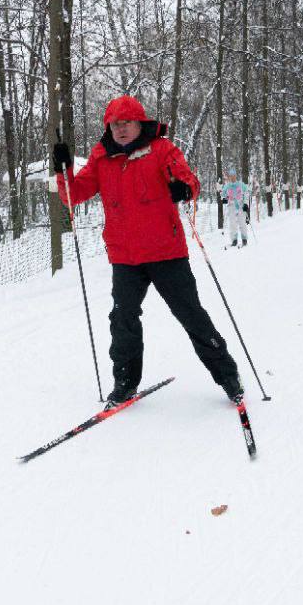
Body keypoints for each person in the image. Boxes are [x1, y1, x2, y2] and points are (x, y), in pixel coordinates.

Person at [52, 95, 245, 406]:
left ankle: (228, 375)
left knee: (190, 314)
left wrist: (183, 189)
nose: (120, 129)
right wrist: (63, 170)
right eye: (114, 124)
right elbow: (74, 196)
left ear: (139, 122)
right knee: (122, 319)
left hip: (166, 251)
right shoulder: (101, 157)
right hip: (125, 256)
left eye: (126, 122)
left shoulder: (161, 149)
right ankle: (125, 383)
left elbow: (190, 181)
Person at [220, 168, 251, 248]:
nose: (232, 177)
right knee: (232, 224)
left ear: (236, 176)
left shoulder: (241, 184)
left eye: (233, 176)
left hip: (240, 205)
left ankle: (244, 239)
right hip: (231, 206)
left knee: (242, 222)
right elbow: (222, 194)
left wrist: (245, 204)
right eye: (231, 176)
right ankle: (234, 240)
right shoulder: (227, 186)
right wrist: (224, 199)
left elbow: (247, 193)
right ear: (229, 177)